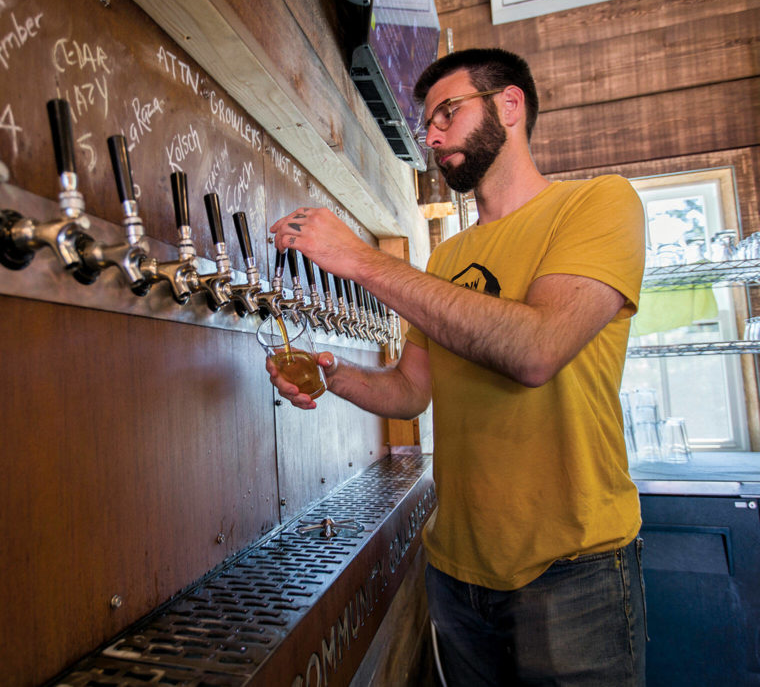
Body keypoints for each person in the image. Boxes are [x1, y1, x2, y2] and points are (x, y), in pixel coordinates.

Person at [268, 48, 647, 686]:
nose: (434, 135)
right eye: (426, 125)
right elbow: (410, 392)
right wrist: (326, 375)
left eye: (448, 111)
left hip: (573, 569)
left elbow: (536, 349)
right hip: (457, 569)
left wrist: (362, 261)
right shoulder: (447, 261)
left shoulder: (598, 205)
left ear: (510, 106)